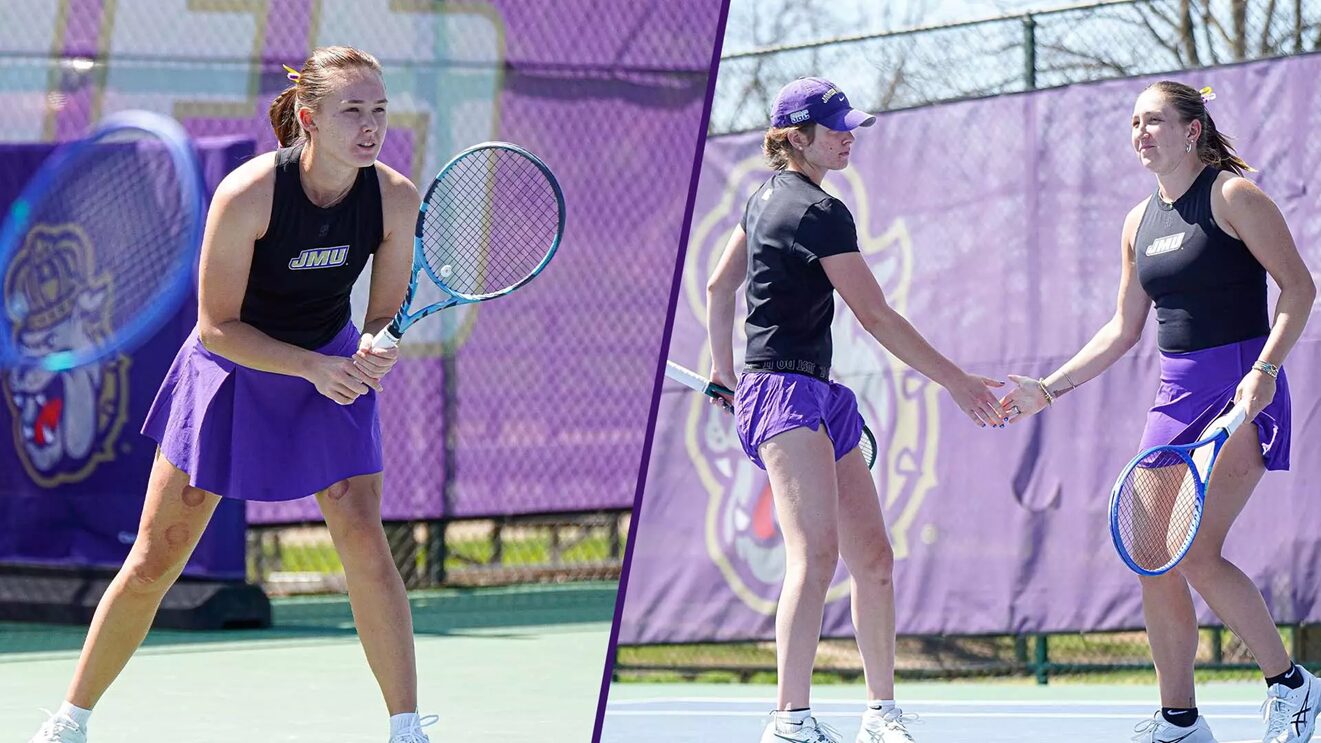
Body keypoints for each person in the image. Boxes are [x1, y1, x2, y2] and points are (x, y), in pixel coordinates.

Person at [28, 46, 436, 743]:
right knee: (158, 556)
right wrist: (311, 366)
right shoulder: (248, 194)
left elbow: (380, 313)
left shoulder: (393, 196)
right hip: (234, 369)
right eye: (351, 111)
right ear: (308, 117)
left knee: (366, 542)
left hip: (326, 369)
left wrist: (375, 346)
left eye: (378, 111)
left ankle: (405, 729)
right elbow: (216, 327)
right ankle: (69, 721)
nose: (370, 126)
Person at [1001, 81, 1316, 743]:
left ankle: (1291, 685)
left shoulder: (1232, 195)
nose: (1140, 133)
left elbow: (1297, 287)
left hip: (1239, 389)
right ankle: (1179, 719)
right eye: (1134, 123)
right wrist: (1047, 387)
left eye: (1154, 121)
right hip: (1173, 399)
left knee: (1196, 553)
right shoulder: (1135, 222)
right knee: (1152, 555)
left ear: (1191, 129)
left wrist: (1263, 371)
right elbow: (1122, 329)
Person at [704, 76, 1006, 743]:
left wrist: (725, 371)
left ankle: (878, 711)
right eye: (833, 126)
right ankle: (789, 720)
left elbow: (718, 284)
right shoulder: (817, 212)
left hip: (812, 391)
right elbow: (873, 314)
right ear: (794, 137)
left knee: (873, 556)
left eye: (848, 125)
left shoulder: (761, 203)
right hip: (783, 393)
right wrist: (956, 382)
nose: (847, 135)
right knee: (813, 555)